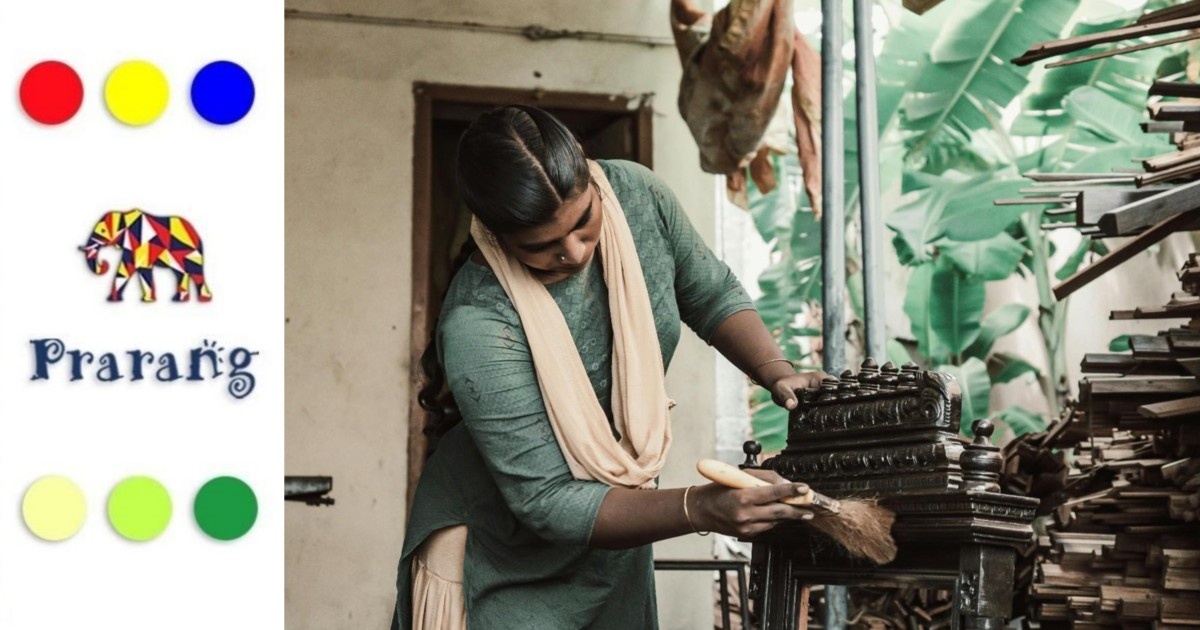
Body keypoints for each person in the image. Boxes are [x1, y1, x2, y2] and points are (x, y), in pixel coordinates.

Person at [391, 105, 826, 630]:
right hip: (497, 552)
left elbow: (708, 292)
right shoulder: (479, 322)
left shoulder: (637, 196)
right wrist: (700, 509)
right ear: (497, 236)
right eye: (541, 246)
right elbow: (548, 500)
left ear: (592, 175)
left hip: (614, 524)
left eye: (582, 222)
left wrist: (775, 370)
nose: (573, 252)